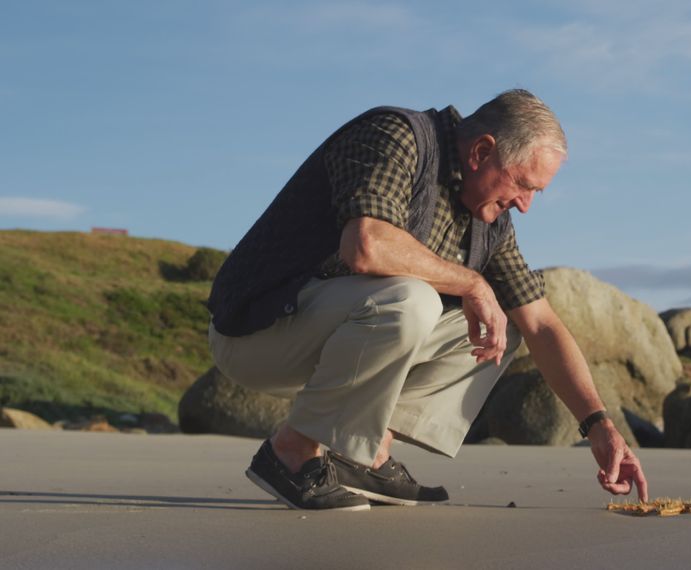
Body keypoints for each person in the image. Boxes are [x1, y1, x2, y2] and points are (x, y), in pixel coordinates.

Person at [207, 89, 648, 511]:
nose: (526, 205)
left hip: (329, 339)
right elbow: (366, 245)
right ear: (481, 152)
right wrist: (472, 283)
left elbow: (542, 324)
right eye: (523, 185)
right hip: (257, 331)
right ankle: (292, 451)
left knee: (505, 325)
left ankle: (363, 456)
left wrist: (599, 426)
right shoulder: (397, 137)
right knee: (413, 299)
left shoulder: (489, 221)